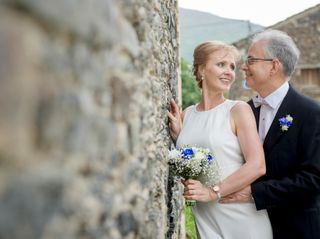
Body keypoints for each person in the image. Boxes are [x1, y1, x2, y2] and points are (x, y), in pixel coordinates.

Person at [219, 29, 320, 239]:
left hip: (297, 229)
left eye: (251, 60)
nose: (244, 67)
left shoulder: (311, 113)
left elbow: (313, 180)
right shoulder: (244, 111)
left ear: (274, 65)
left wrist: (255, 193)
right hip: (247, 226)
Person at [167, 40, 272, 238]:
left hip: (241, 218)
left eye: (232, 67)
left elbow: (257, 165)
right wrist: (180, 138)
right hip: (206, 218)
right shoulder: (186, 115)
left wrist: (212, 192)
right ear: (201, 70)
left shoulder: (238, 109)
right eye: (221, 64)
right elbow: (198, 161)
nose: (229, 72)